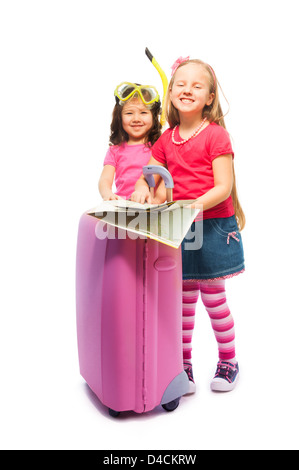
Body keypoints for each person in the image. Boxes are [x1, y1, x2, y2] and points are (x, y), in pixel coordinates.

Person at [131, 57, 245, 393]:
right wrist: (142, 188)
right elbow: (150, 175)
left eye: (197, 86)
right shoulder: (166, 140)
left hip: (212, 227)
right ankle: (183, 366)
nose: (187, 90)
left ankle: (229, 360)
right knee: (181, 301)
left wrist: (190, 205)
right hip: (180, 228)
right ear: (171, 93)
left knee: (213, 298)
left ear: (210, 97)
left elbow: (223, 187)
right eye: (180, 84)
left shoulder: (216, 136)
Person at [98, 82, 164, 201]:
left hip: (150, 208)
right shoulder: (114, 151)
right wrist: (107, 194)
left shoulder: (159, 147)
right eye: (129, 113)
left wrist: (156, 201)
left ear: (154, 116)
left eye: (143, 113)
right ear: (119, 117)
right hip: (123, 208)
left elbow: (166, 179)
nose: (136, 119)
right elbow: (105, 179)